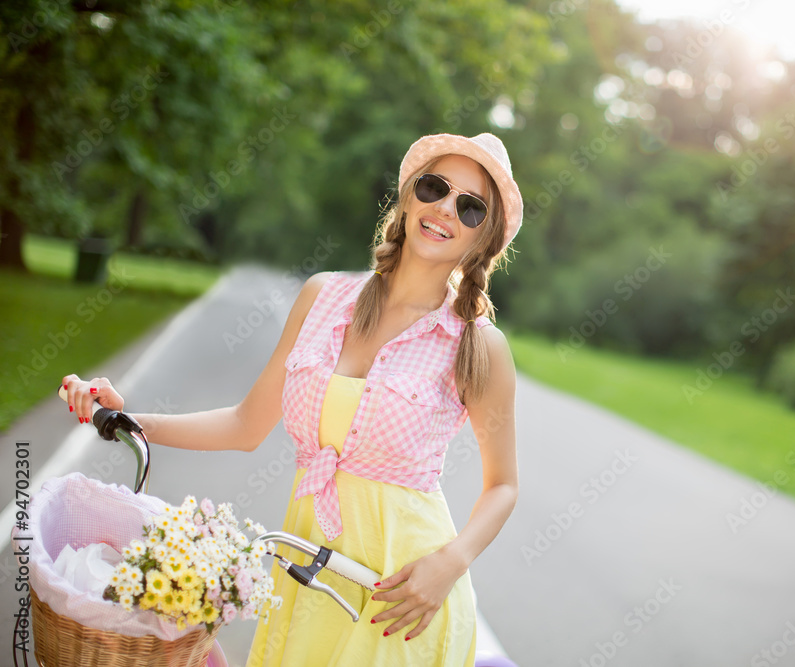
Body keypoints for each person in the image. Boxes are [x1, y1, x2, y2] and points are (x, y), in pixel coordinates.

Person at [61, 132, 522, 666]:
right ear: (408, 195)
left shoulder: (477, 344)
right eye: (434, 187)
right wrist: (124, 416)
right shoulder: (323, 297)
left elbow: (504, 485)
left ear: (483, 237)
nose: (445, 208)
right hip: (308, 575)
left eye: (470, 207)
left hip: (402, 596)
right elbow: (244, 424)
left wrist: (452, 563)